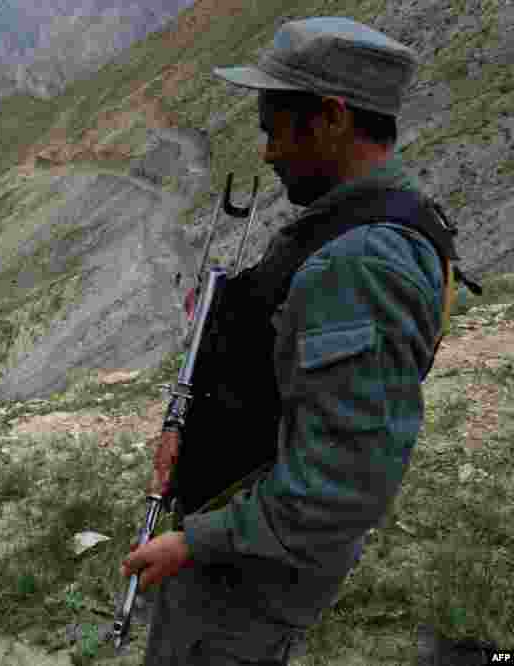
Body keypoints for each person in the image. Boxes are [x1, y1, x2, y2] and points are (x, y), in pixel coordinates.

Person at [120, 17, 478, 665]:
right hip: (245, 535)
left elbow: (343, 486)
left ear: (333, 117)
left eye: (273, 127)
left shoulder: (363, 262)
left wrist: (196, 543)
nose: (266, 152)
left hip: (252, 569)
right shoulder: (350, 224)